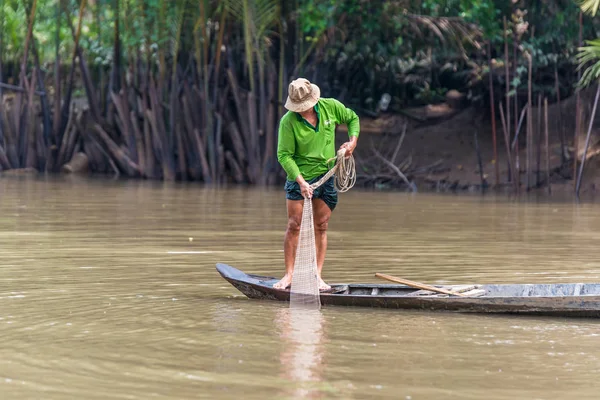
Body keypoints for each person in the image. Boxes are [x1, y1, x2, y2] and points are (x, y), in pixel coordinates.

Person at [274, 78, 360, 291]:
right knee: (294, 225)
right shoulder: (288, 121)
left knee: (321, 225)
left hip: (326, 176)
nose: (302, 110)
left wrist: (352, 142)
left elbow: (352, 118)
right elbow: (284, 155)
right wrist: (301, 182)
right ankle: (289, 275)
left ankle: (316, 275)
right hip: (299, 178)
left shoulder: (330, 107)